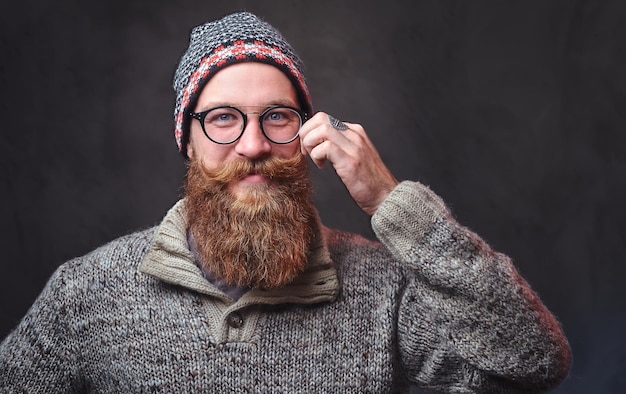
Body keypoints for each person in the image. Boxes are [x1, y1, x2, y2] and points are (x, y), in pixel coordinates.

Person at [0, 11, 571, 393]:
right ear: (188, 141)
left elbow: (534, 360)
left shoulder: (382, 292)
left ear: (310, 133)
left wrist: (394, 202)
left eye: (277, 117)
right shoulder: (87, 292)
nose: (253, 145)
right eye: (223, 118)